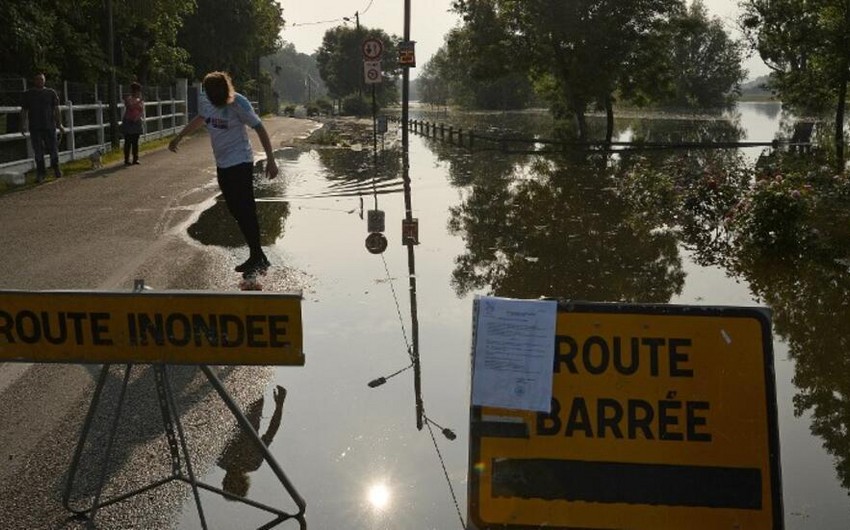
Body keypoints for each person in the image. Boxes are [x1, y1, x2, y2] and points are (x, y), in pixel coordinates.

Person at [169, 71, 279, 274]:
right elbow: (200, 119)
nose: (213, 98)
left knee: (245, 209)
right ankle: (258, 255)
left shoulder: (239, 103)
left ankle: (256, 256)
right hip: (223, 164)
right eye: (210, 94)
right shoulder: (207, 102)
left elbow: (260, 128)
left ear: (224, 90)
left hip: (241, 162)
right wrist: (179, 137)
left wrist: (271, 160)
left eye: (216, 93)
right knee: (236, 210)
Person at [217, 385, 286, 498]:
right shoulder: (252, 463)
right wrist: (279, 406)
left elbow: (271, 432)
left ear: (225, 480)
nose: (232, 480)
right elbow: (270, 432)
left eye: (230, 483)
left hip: (231, 405)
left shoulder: (221, 460)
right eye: (235, 484)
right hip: (252, 404)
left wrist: (279, 405)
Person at [20, 72, 64, 182]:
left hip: (49, 126)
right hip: (35, 127)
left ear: (44, 81)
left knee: (53, 148)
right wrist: (23, 124)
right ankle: (41, 173)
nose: (40, 81)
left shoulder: (51, 93)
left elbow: (56, 109)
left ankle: (56, 168)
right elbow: (24, 110)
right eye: (38, 79)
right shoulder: (28, 94)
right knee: (38, 151)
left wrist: (59, 123)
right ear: (34, 81)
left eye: (42, 79)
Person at [121, 82, 145, 165]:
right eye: (136, 91)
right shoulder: (128, 99)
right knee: (128, 141)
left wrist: (137, 118)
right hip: (128, 121)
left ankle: (135, 158)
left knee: (135, 142)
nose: (138, 93)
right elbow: (130, 107)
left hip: (136, 121)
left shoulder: (139, 100)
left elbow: (141, 111)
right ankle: (126, 159)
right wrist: (139, 103)